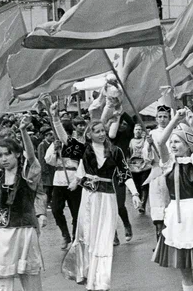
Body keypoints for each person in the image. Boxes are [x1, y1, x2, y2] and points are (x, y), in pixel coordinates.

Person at [62, 119, 140, 291]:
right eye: (97, 131)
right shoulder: (84, 150)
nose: (101, 134)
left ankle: (102, 282)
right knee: (88, 237)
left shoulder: (115, 151)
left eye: (103, 130)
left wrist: (134, 193)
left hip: (107, 197)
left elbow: (125, 173)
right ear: (89, 134)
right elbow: (65, 141)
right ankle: (89, 278)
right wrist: (54, 119)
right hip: (89, 197)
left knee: (104, 239)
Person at [0, 112, 47, 291]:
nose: (3, 159)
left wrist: (23, 131)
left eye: (8, 154)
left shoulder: (27, 175)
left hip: (24, 232)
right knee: (0, 280)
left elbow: (31, 158)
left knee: (30, 279)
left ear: (17, 155)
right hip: (0, 233)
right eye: (0, 155)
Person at [152, 108, 193, 291]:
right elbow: (160, 142)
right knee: (183, 268)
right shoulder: (169, 162)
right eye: (172, 141)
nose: (172, 145)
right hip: (175, 217)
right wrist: (174, 120)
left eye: (177, 141)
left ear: (188, 144)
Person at [47, 101, 84, 251]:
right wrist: (55, 151)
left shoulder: (78, 143)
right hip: (59, 180)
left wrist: (77, 180)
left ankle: (76, 237)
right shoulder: (57, 143)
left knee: (76, 212)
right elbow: (48, 160)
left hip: (73, 178)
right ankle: (65, 234)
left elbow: (83, 163)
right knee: (56, 209)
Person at [143, 105, 172, 241]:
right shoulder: (152, 134)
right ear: (156, 118)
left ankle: (171, 238)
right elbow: (146, 158)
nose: (162, 119)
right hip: (157, 171)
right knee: (157, 203)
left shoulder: (174, 132)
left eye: (165, 117)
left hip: (171, 169)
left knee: (170, 203)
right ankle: (160, 239)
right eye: (160, 117)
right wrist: (148, 145)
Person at [108, 111, 136, 243]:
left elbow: (131, 123)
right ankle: (113, 234)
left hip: (120, 172)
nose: (122, 125)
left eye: (124, 124)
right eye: (120, 123)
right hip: (106, 174)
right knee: (107, 207)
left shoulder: (127, 135)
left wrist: (122, 110)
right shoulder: (108, 137)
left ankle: (126, 224)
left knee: (119, 205)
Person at [128, 124, 151, 214]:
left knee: (144, 185)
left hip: (144, 165)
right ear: (133, 131)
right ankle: (140, 201)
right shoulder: (131, 141)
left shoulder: (145, 141)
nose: (138, 131)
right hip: (134, 165)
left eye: (140, 129)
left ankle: (143, 205)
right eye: (136, 129)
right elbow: (129, 153)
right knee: (137, 186)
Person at [37, 125, 55, 209]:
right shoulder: (42, 145)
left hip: (52, 169)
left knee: (51, 187)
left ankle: (50, 201)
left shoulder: (52, 144)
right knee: (46, 187)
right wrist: (44, 170)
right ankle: (46, 202)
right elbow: (41, 159)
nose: (52, 136)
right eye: (50, 135)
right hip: (46, 170)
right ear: (45, 136)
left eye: (52, 135)